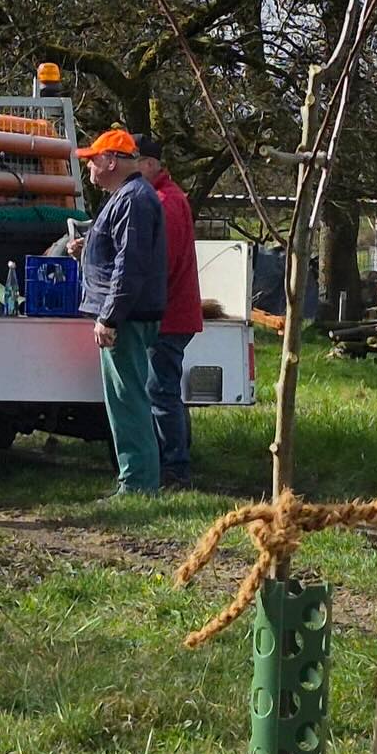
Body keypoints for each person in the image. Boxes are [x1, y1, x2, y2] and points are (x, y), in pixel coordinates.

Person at [68, 129, 166, 495]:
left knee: (128, 402)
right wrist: (89, 249)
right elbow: (120, 255)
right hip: (128, 314)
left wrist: (109, 317)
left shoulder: (133, 199)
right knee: (127, 400)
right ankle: (137, 480)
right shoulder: (127, 196)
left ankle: (138, 484)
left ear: (112, 161)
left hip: (126, 318)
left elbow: (130, 265)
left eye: (93, 159)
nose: (89, 167)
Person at [132, 132, 203, 489]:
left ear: (148, 164)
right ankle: (170, 462)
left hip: (167, 315)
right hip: (170, 312)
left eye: (131, 162)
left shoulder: (164, 203)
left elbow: (162, 262)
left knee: (161, 392)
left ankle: (174, 469)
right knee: (162, 390)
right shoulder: (164, 198)